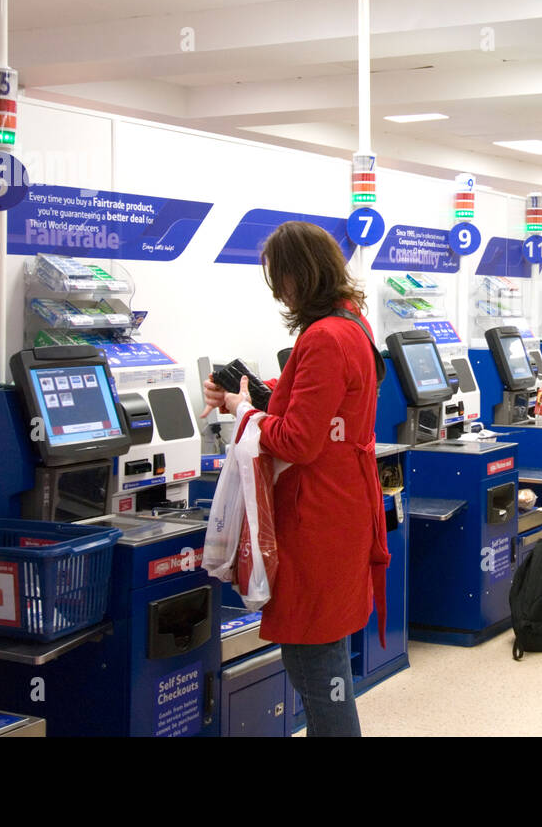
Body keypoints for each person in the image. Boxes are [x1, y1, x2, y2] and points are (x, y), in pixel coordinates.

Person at [201, 221, 388, 737]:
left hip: (316, 520)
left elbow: (297, 441)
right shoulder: (352, 323)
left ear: (295, 277)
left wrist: (243, 410)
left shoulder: (325, 336)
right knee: (326, 662)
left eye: (278, 279)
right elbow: (318, 406)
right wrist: (258, 396)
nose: (278, 291)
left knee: (316, 664)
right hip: (342, 507)